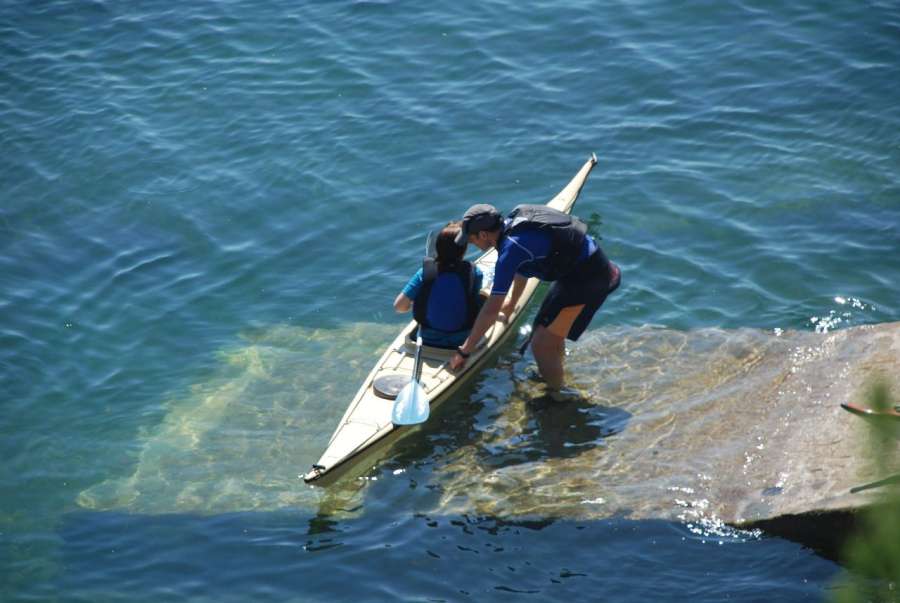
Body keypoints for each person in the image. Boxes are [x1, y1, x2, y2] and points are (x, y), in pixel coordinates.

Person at [448, 203, 620, 398]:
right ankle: (555, 373)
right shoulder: (514, 223)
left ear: (483, 235)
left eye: (471, 240)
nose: (473, 245)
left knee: (540, 343)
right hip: (580, 268)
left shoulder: (510, 250)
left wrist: (464, 352)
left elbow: (490, 310)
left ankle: (558, 395)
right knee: (543, 328)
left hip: (590, 277)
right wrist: (511, 304)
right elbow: (523, 269)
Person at [394, 222, 485, 348]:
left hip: (427, 338)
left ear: (437, 247)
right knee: (483, 298)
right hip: (462, 339)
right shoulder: (474, 273)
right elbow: (472, 300)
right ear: (463, 250)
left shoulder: (425, 272)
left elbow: (399, 306)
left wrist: (414, 304)